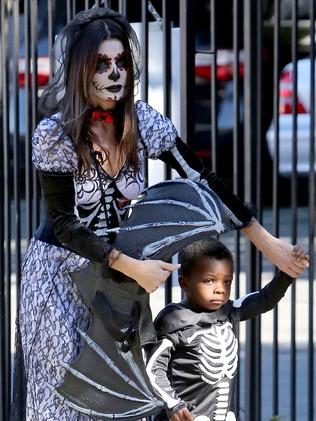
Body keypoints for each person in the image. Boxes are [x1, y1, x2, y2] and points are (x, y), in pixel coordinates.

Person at [11, 6, 308, 421]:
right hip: (58, 273)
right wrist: (132, 266)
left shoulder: (142, 121)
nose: (114, 73)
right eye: (101, 63)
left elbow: (203, 178)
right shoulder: (55, 134)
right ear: (81, 69)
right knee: (60, 388)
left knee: (115, 391)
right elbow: (64, 223)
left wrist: (268, 243)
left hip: (117, 278)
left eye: (121, 62)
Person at [146, 239, 308, 421]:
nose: (220, 289)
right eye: (209, 280)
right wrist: (172, 404)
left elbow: (264, 299)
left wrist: (287, 273)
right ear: (184, 283)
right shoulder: (173, 320)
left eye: (227, 281)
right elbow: (153, 369)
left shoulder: (228, 310)